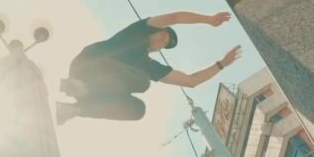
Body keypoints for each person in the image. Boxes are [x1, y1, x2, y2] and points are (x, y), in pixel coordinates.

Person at [56, 11, 242, 124]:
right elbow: (175, 17)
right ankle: (79, 87)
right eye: (163, 35)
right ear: (155, 30)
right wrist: (208, 19)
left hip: (94, 92)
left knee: (138, 109)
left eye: (165, 43)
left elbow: (190, 81)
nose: (163, 40)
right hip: (87, 64)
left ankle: (73, 110)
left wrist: (222, 64)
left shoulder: (149, 65)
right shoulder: (139, 30)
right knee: (142, 82)